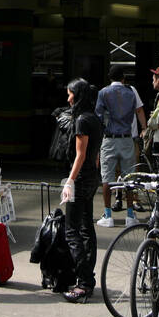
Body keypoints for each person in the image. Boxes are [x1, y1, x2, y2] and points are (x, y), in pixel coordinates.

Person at [62, 78, 102, 303]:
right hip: (91, 178)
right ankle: (88, 275)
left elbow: (81, 155)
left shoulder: (81, 122)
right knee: (87, 227)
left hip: (80, 179)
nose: (68, 99)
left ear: (77, 95)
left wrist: (70, 181)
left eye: (70, 94)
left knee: (72, 231)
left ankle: (85, 280)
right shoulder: (95, 119)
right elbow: (94, 156)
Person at [94, 64, 145, 227]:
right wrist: (144, 128)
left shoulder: (103, 93)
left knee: (107, 177)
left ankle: (108, 215)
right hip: (127, 139)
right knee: (129, 178)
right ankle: (130, 215)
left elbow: (98, 116)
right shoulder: (130, 92)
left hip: (109, 139)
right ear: (123, 78)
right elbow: (139, 111)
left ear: (110, 78)